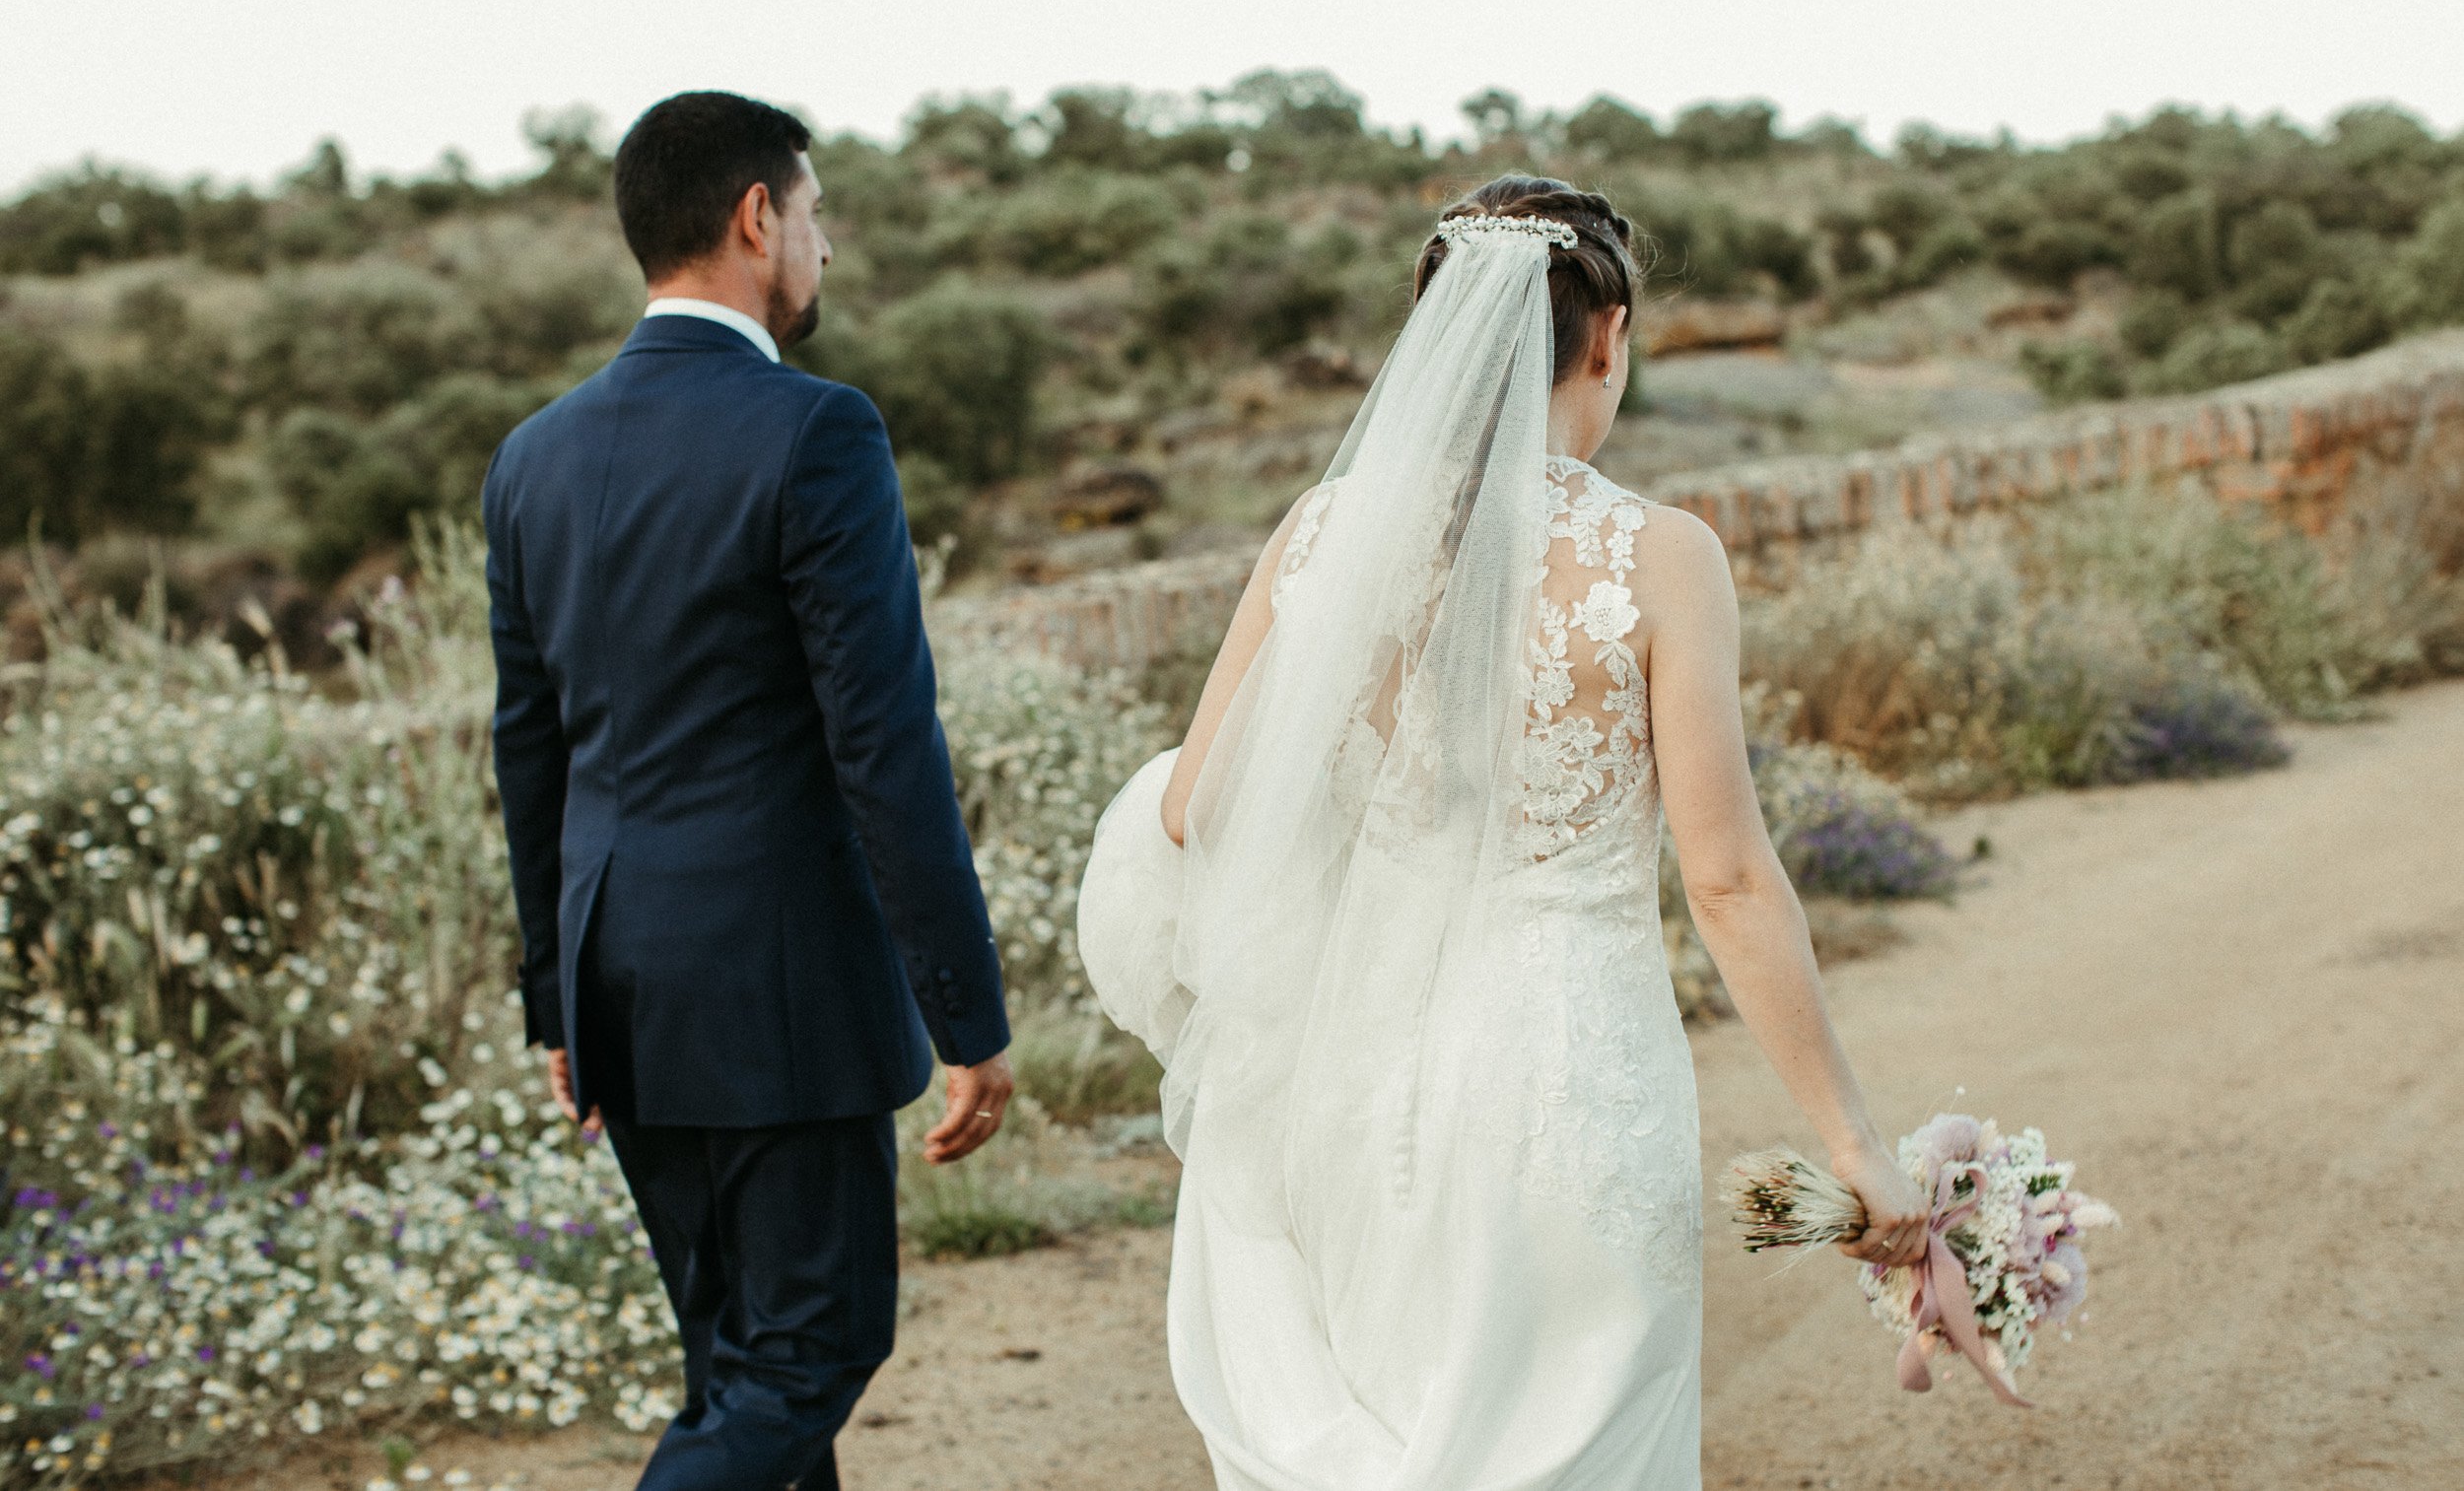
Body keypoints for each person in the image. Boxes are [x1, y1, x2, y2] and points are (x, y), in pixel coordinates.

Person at [1077, 175, 1932, 1488]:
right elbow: (1728, 882)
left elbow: (1193, 813)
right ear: (1610, 337)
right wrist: (1851, 1140)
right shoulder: (1656, 555)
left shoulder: (1320, 535)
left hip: (1348, 1088)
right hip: (1564, 1089)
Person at [483, 90, 1014, 1491]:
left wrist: (556, 996)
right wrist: (968, 1010)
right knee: (806, 1356)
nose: (824, 250)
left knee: (737, 1362)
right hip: (778, 990)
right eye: (818, 213)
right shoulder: (816, 432)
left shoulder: (530, 459)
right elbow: (885, 748)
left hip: (624, 983)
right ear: (754, 217)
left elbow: (527, 749)